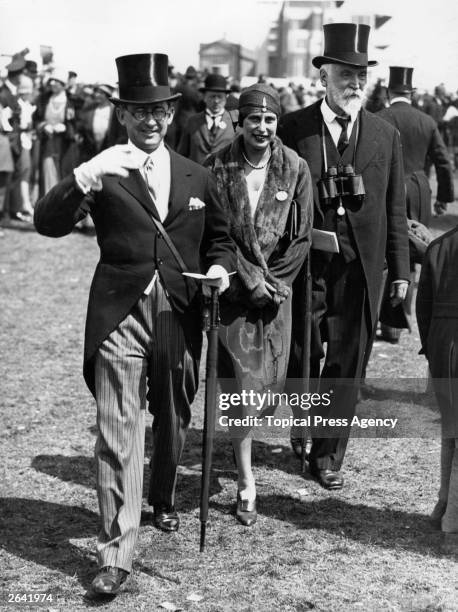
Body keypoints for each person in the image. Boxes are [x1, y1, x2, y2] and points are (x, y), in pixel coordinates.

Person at [34, 53, 235, 596]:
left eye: (161, 111)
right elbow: (46, 223)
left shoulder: (196, 173)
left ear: (173, 113)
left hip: (177, 312)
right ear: (122, 115)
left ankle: (163, 497)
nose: (151, 121)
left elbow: (220, 238)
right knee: (118, 431)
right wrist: (81, 176)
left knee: (173, 414)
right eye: (139, 112)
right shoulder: (103, 171)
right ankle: (116, 552)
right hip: (119, 313)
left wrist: (219, 268)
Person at [278, 23, 410, 490]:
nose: (354, 85)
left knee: (349, 357)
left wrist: (399, 270)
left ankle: (329, 453)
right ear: (323, 79)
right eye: (344, 76)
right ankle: (303, 423)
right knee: (302, 351)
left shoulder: (384, 134)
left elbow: (396, 206)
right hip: (306, 263)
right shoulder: (293, 128)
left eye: (360, 76)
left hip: (361, 266)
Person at [205, 83, 313, 525]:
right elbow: (216, 234)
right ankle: (247, 482)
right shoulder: (217, 167)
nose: (262, 128)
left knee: (268, 389)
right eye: (254, 120)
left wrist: (273, 283)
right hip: (233, 294)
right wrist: (245, 280)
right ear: (240, 121)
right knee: (241, 391)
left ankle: (244, 464)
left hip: (276, 297)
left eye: (269, 120)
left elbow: (301, 237)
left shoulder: (296, 168)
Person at [376, 66, 454, 343]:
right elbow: (443, 161)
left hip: (388, 188)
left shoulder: (377, 118)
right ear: (412, 93)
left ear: (388, 92)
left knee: (388, 248)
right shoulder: (426, 121)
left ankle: (384, 316)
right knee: (413, 249)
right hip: (419, 190)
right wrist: (444, 196)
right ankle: (401, 317)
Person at [416, 228, 458, 555]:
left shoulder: (438, 246)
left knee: (450, 431)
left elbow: (422, 308)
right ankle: (452, 523)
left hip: (442, 345)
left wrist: (432, 349)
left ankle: (443, 503)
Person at [34, 70, 78, 197]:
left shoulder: (72, 100)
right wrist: (44, 126)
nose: (52, 83)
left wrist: (66, 127)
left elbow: (78, 123)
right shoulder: (43, 99)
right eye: (51, 80)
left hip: (65, 143)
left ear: (63, 84)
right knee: (48, 169)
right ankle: (48, 199)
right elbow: (36, 118)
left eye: (56, 81)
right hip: (48, 141)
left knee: (64, 170)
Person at [177, 73, 236, 164]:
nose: (216, 101)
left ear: (226, 97)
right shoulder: (192, 121)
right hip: (197, 175)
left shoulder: (234, 122)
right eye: (212, 96)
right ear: (204, 97)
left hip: (224, 176)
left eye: (220, 97)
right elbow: (182, 154)